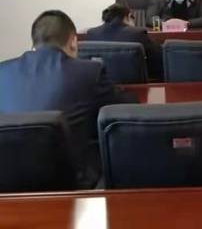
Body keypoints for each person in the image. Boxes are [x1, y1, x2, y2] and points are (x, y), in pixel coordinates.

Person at [0, 10, 136, 187]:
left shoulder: (3, 71)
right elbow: (126, 108)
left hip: (8, 183)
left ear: (34, 41)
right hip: (71, 184)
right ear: (73, 41)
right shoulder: (89, 71)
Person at [86, 3, 163, 80]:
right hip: (133, 83)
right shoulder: (137, 33)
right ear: (128, 17)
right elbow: (159, 58)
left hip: (101, 82)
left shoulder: (92, 33)